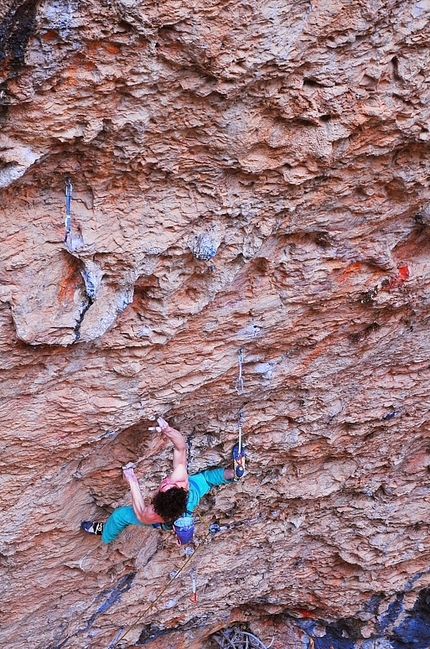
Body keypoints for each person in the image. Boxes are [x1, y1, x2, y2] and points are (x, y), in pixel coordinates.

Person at [81, 417, 245, 544]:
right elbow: (181, 447)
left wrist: (132, 480)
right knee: (206, 480)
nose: (166, 482)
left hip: (178, 508)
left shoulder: (154, 515)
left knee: (119, 516)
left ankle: (106, 535)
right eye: (169, 485)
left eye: (164, 487)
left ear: (156, 502)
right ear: (179, 488)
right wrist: (167, 430)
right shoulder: (179, 480)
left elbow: (139, 512)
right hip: (191, 494)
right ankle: (233, 474)